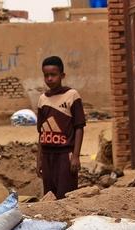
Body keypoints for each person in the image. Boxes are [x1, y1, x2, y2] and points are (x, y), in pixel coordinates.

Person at [36, 56, 86, 199]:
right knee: (49, 196)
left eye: (53, 75)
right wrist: (39, 159)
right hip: (47, 155)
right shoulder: (42, 99)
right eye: (46, 75)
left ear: (62, 75)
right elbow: (41, 132)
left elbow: (79, 127)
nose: (49, 79)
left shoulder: (72, 95)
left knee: (65, 196)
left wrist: (75, 156)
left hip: (65, 155)